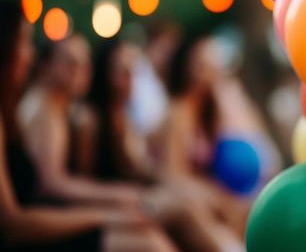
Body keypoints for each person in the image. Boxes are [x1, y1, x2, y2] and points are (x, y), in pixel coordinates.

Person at [0, 0, 177, 252]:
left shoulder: (64, 111)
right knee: (150, 242)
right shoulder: (42, 109)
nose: (29, 55)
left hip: (49, 219)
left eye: (84, 64)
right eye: (23, 42)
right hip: (37, 231)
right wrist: (110, 209)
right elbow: (43, 192)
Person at [78, 37, 247, 252]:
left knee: (231, 204)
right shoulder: (91, 120)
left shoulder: (123, 118)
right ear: (104, 74)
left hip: (140, 193)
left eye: (133, 71)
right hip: (121, 202)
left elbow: (143, 169)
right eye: (122, 72)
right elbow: (88, 178)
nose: (130, 79)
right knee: (191, 207)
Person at [162, 35, 282, 238]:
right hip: (204, 197)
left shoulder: (211, 107)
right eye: (202, 64)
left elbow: (249, 131)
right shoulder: (179, 110)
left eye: (211, 61)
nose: (210, 68)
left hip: (232, 196)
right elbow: (174, 174)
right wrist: (216, 195)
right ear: (187, 68)